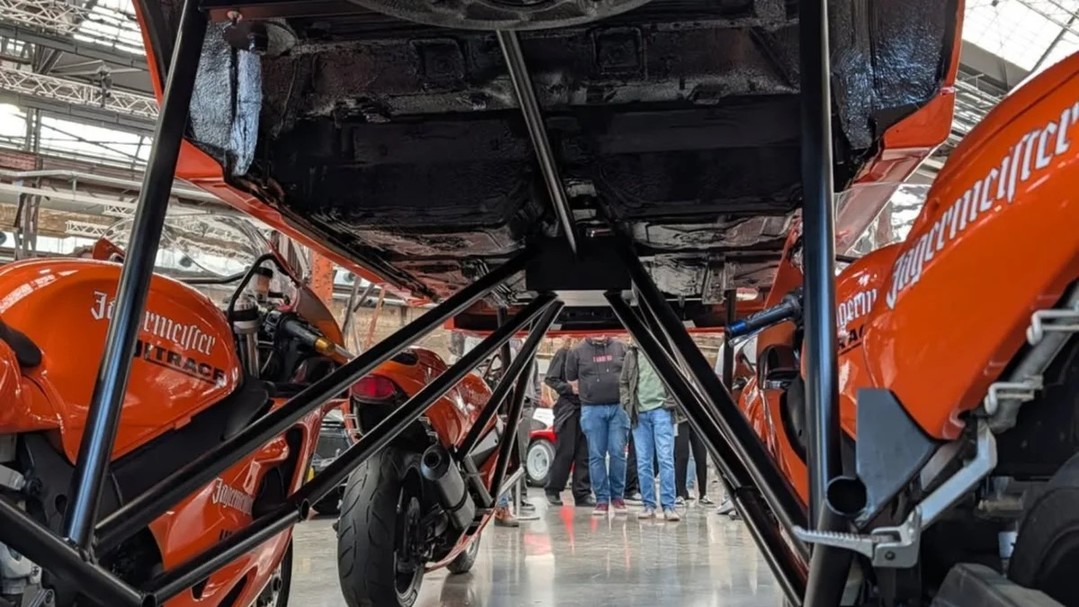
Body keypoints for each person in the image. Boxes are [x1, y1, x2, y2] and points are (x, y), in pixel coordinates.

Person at [565, 334, 629, 516]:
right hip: (592, 409)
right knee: (596, 455)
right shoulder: (576, 351)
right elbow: (572, 380)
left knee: (618, 452)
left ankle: (617, 497)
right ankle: (601, 500)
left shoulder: (622, 347)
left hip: (619, 408)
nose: (599, 334)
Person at [620, 343, 680, 521]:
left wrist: (671, 402)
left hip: (662, 411)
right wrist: (627, 403)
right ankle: (648, 505)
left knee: (665, 459)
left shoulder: (666, 350)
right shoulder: (632, 354)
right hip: (639, 414)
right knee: (643, 462)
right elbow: (623, 382)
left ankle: (669, 506)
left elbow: (680, 378)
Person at [543, 337, 594, 507]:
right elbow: (551, 378)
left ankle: (582, 493)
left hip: (587, 407)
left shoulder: (590, 353)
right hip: (568, 408)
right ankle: (553, 488)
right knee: (565, 451)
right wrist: (569, 388)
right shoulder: (563, 353)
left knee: (584, 452)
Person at [675, 426, 713, 506]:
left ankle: (703, 494)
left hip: (697, 422)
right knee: (682, 456)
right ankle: (680, 494)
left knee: (701, 457)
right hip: (681, 421)